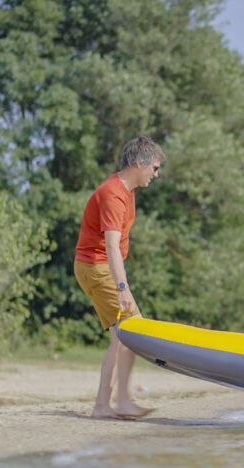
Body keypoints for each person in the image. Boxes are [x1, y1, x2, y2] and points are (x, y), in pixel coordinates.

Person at [74, 136, 166, 418]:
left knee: (125, 335)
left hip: (99, 267)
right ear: (139, 164)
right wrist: (122, 287)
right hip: (95, 267)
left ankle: (109, 404)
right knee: (130, 331)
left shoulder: (126, 190)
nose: (156, 174)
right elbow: (111, 246)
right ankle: (112, 403)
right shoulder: (114, 195)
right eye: (154, 168)